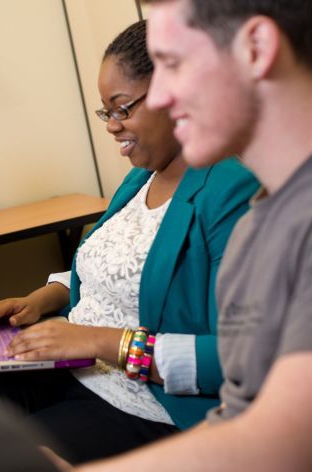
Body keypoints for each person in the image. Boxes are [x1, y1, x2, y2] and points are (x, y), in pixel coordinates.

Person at [0, 21, 258, 464]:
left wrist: (100, 342)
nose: (112, 126)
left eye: (122, 109)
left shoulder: (230, 192)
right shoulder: (141, 178)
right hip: (70, 366)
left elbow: (239, 358)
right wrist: (40, 299)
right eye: (106, 113)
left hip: (145, 400)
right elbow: (108, 263)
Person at [57, 0, 312, 470]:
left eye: (174, 66)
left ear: (256, 48)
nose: (161, 99)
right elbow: (240, 411)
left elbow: (286, 438)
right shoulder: (263, 218)